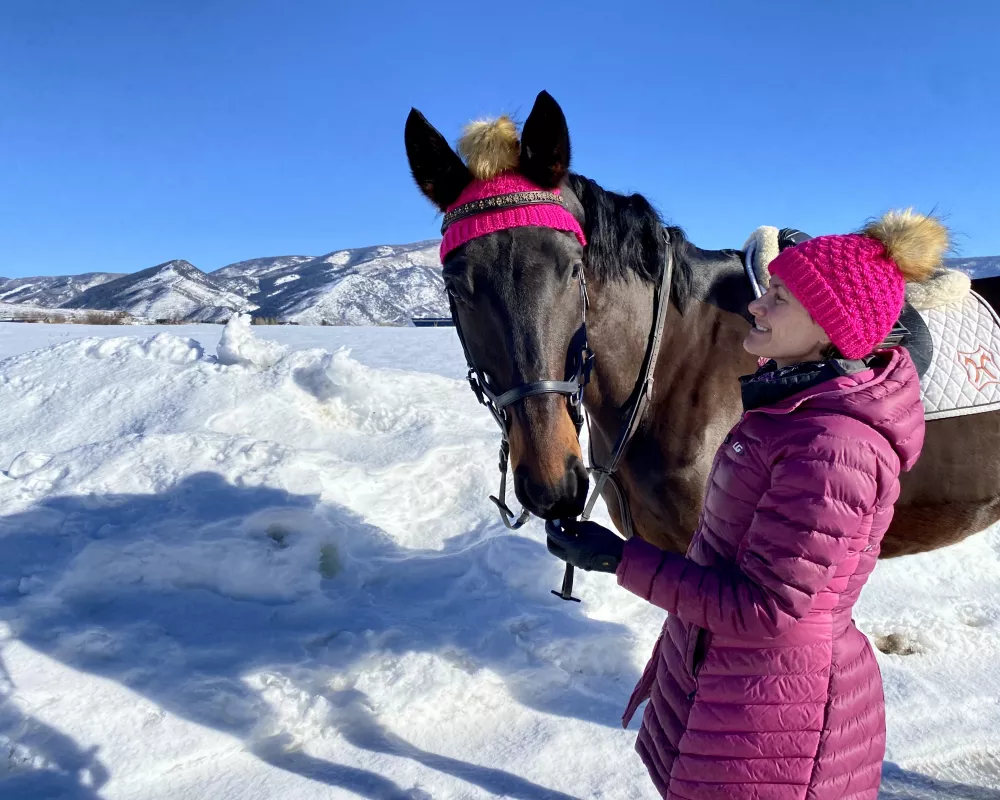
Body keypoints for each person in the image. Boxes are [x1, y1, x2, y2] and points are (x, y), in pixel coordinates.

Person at [546, 210, 948, 800]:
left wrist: (621, 560)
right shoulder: (787, 415)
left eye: (780, 297)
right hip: (737, 689)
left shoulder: (832, 448)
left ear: (828, 326)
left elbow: (769, 612)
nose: (757, 304)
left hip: (779, 714)